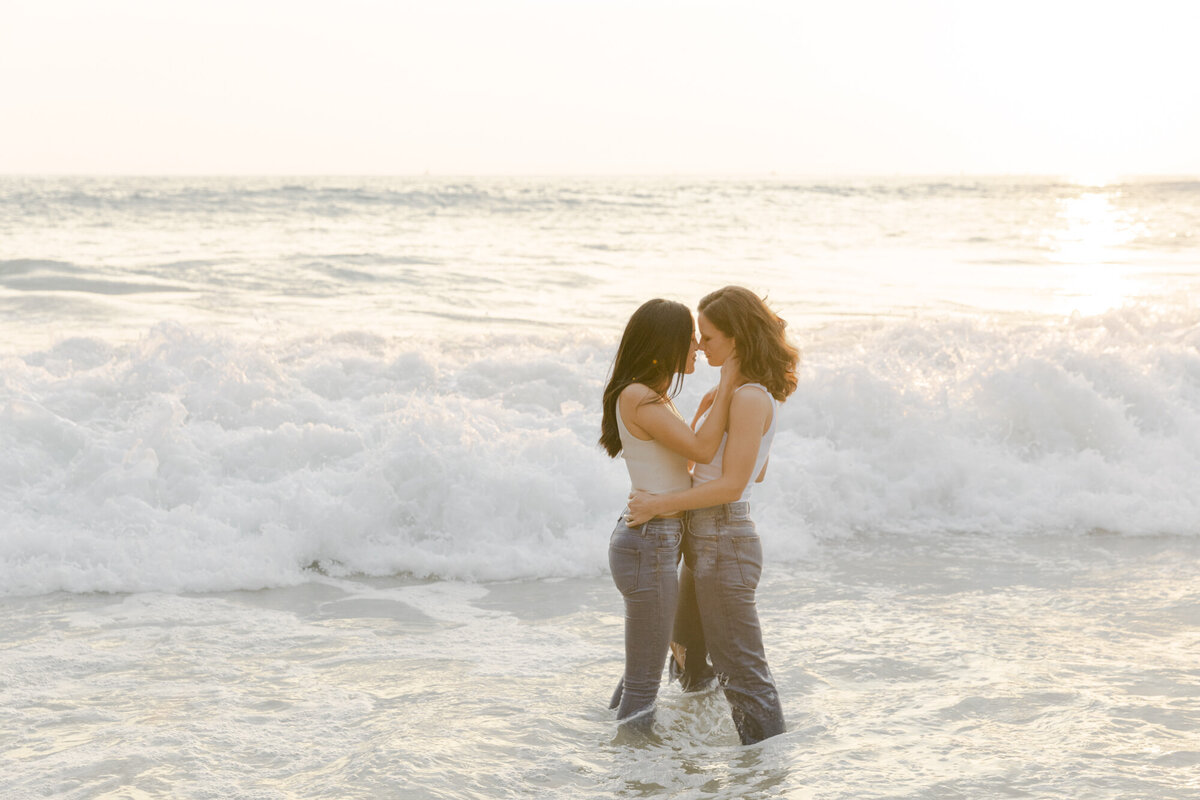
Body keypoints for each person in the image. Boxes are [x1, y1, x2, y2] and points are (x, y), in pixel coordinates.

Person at [626, 286, 799, 745]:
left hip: (724, 538)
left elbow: (736, 485)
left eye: (708, 338)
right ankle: (690, 758)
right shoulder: (734, 395)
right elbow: (752, 471)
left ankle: (766, 776)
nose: (699, 346)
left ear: (737, 339)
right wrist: (713, 406)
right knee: (688, 661)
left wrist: (656, 505)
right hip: (705, 540)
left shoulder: (748, 398)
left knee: (743, 673)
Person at [600, 298, 739, 731]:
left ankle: (613, 749)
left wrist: (699, 412)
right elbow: (701, 450)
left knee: (639, 672)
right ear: (666, 342)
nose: (697, 346)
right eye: (690, 338)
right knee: (644, 683)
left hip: (656, 539)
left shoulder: (653, 399)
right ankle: (637, 778)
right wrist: (731, 375)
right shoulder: (639, 397)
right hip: (649, 542)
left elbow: (684, 470)